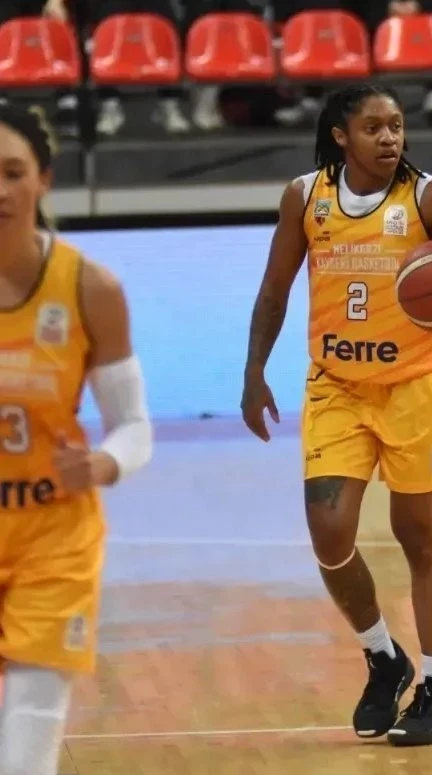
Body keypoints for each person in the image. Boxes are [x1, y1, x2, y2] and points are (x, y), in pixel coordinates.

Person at [241, 84, 432, 747]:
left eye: (396, 125)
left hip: (414, 386)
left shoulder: (430, 196)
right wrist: (254, 371)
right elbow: (274, 288)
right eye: (373, 127)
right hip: (336, 386)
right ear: (341, 136)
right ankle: (382, 655)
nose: (389, 137)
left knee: (419, 536)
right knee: (329, 535)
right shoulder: (306, 197)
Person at [0, 103, 152, 774]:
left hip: (53, 533)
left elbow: (135, 426)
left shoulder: (91, 287)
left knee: (27, 737)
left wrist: (102, 462)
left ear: (43, 180)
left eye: (13, 172)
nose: (1, 190)